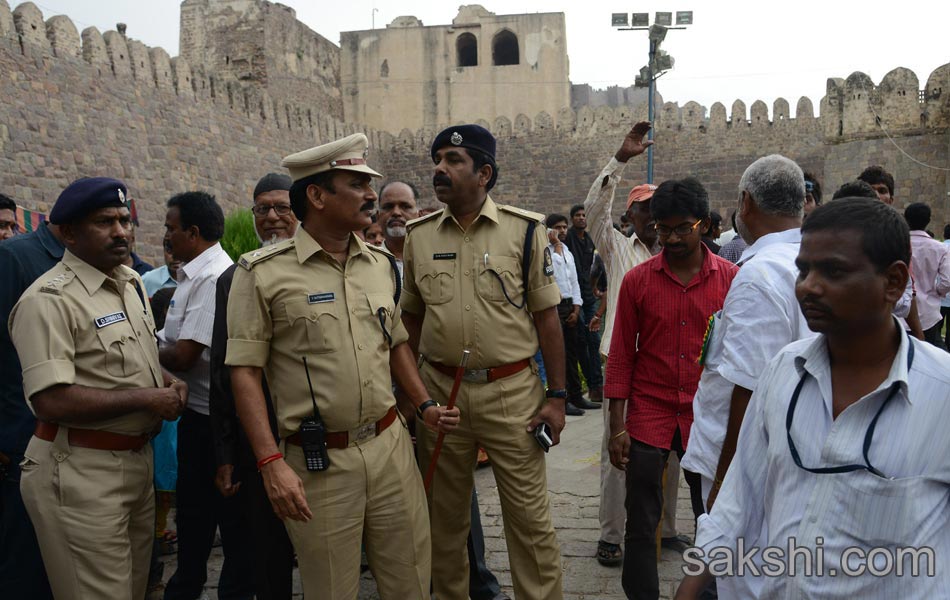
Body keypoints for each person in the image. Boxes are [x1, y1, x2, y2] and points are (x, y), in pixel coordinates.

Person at [675, 198, 950, 599]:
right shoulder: (783, 371)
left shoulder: (940, 393)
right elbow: (739, 498)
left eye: (833, 271)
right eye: (804, 269)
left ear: (893, 282)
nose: (808, 286)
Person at [226, 133, 457, 598]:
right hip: (319, 463)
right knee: (331, 588)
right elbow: (244, 372)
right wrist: (271, 462)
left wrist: (425, 403)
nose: (372, 195)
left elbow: (396, 344)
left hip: (390, 446)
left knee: (410, 580)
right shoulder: (261, 273)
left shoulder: (378, 265)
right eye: (357, 184)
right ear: (316, 195)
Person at [402, 124, 566, 600]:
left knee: (529, 522)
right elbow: (409, 321)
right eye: (437, 160)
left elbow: (548, 320)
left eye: (453, 161)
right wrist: (411, 397)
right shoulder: (419, 236)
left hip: (512, 395)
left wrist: (556, 398)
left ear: (484, 173)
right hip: (440, 395)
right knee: (443, 521)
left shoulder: (525, 231)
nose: (440, 169)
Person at [9, 177, 187, 600]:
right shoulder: (48, 300)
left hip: (133, 461)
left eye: (125, 219)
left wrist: (166, 382)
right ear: (69, 233)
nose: (121, 231)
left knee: (130, 589)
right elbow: (50, 400)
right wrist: (148, 399)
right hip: (79, 468)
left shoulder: (128, 284)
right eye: (104, 222)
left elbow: (127, 365)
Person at [681, 154, 815, 598]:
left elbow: (749, 388)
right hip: (791, 458)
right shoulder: (813, 263)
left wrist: (724, 486)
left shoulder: (759, 275)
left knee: (729, 579)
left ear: (746, 203)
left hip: (743, 467)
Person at [605, 176, 738, 600]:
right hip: (649, 414)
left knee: (714, 516)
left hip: (707, 415)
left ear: (704, 224)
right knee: (641, 520)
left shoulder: (732, 281)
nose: (672, 237)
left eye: (683, 228)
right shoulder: (638, 282)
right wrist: (616, 425)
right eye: (663, 228)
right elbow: (623, 353)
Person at [379, 178, 509, 600]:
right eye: (388, 206)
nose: (396, 213)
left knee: (453, 494)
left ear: (418, 213)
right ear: (377, 215)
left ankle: (477, 582)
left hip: (436, 394)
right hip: (386, 402)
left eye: (404, 205)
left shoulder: (436, 253)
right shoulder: (367, 263)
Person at [581, 122, 667, 567]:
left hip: (669, 367)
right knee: (620, 451)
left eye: (658, 208)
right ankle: (612, 534)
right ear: (629, 217)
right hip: (623, 367)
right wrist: (620, 160)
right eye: (643, 209)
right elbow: (594, 207)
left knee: (666, 451)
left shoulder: (678, 254)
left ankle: (664, 530)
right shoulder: (616, 249)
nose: (651, 217)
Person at [158, 192, 251, 600]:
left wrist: (137, 348)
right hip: (197, 419)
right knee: (194, 522)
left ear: (192, 233)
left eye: (170, 228)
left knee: (227, 526)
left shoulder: (214, 279)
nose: (166, 236)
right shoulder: (192, 276)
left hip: (217, 425)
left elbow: (183, 353)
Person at [210, 173, 296, 600]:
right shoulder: (234, 278)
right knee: (267, 555)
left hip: (318, 436)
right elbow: (225, 374)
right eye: (263, 209)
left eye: (282, 207)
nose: (272, 218)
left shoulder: (322, 271)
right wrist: (225, 453)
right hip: (258, 441)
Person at [0, 211, 65, 600]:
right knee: (23, 559)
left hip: (67, 440)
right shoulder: (15, 259)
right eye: (107, 221)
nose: (119, 231)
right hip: (21, 436)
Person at [545, 213, 587, 416]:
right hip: (555, 306)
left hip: (571, 305)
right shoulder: (547, 251)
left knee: (572, 353)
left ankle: (577, 396)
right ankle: (564, 399)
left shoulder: (567, 251)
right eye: (557, 227)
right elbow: (554, 272)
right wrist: (556, 246)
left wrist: (577, 308)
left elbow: (574, 281)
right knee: (558, 354)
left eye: (564, 227)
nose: (562, 231)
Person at [565, 203, 603, 407]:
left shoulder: (588, 240)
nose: (581, 218)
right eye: (577, 215)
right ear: (572, 219)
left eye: (583, 215)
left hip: (587, 298)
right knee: (581, 343)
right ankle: (586, 388)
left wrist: (594, 289)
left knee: (593, 342)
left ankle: (596, 386)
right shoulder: (570, 238)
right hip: (574, 298)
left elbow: (592, 269)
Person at [903, 202, 950, 347]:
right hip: (928, 313)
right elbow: (947, 281)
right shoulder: (940, 248)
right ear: (928, 220)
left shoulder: (898, 244)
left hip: (900, 313)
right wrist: (936, 291)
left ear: (906, 219)